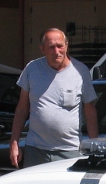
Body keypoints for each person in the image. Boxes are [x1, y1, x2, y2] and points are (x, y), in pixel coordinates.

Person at [10, 28, 98, 167]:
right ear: (42, 49)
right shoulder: (32, 69)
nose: (56, 51)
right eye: (51, 47)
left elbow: (90, 111)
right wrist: (14, 143)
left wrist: (95, 147)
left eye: (60, 46)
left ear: (66, 46)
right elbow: (22, 109)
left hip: (70, 151)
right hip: (36, 150)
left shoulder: (81, 71)